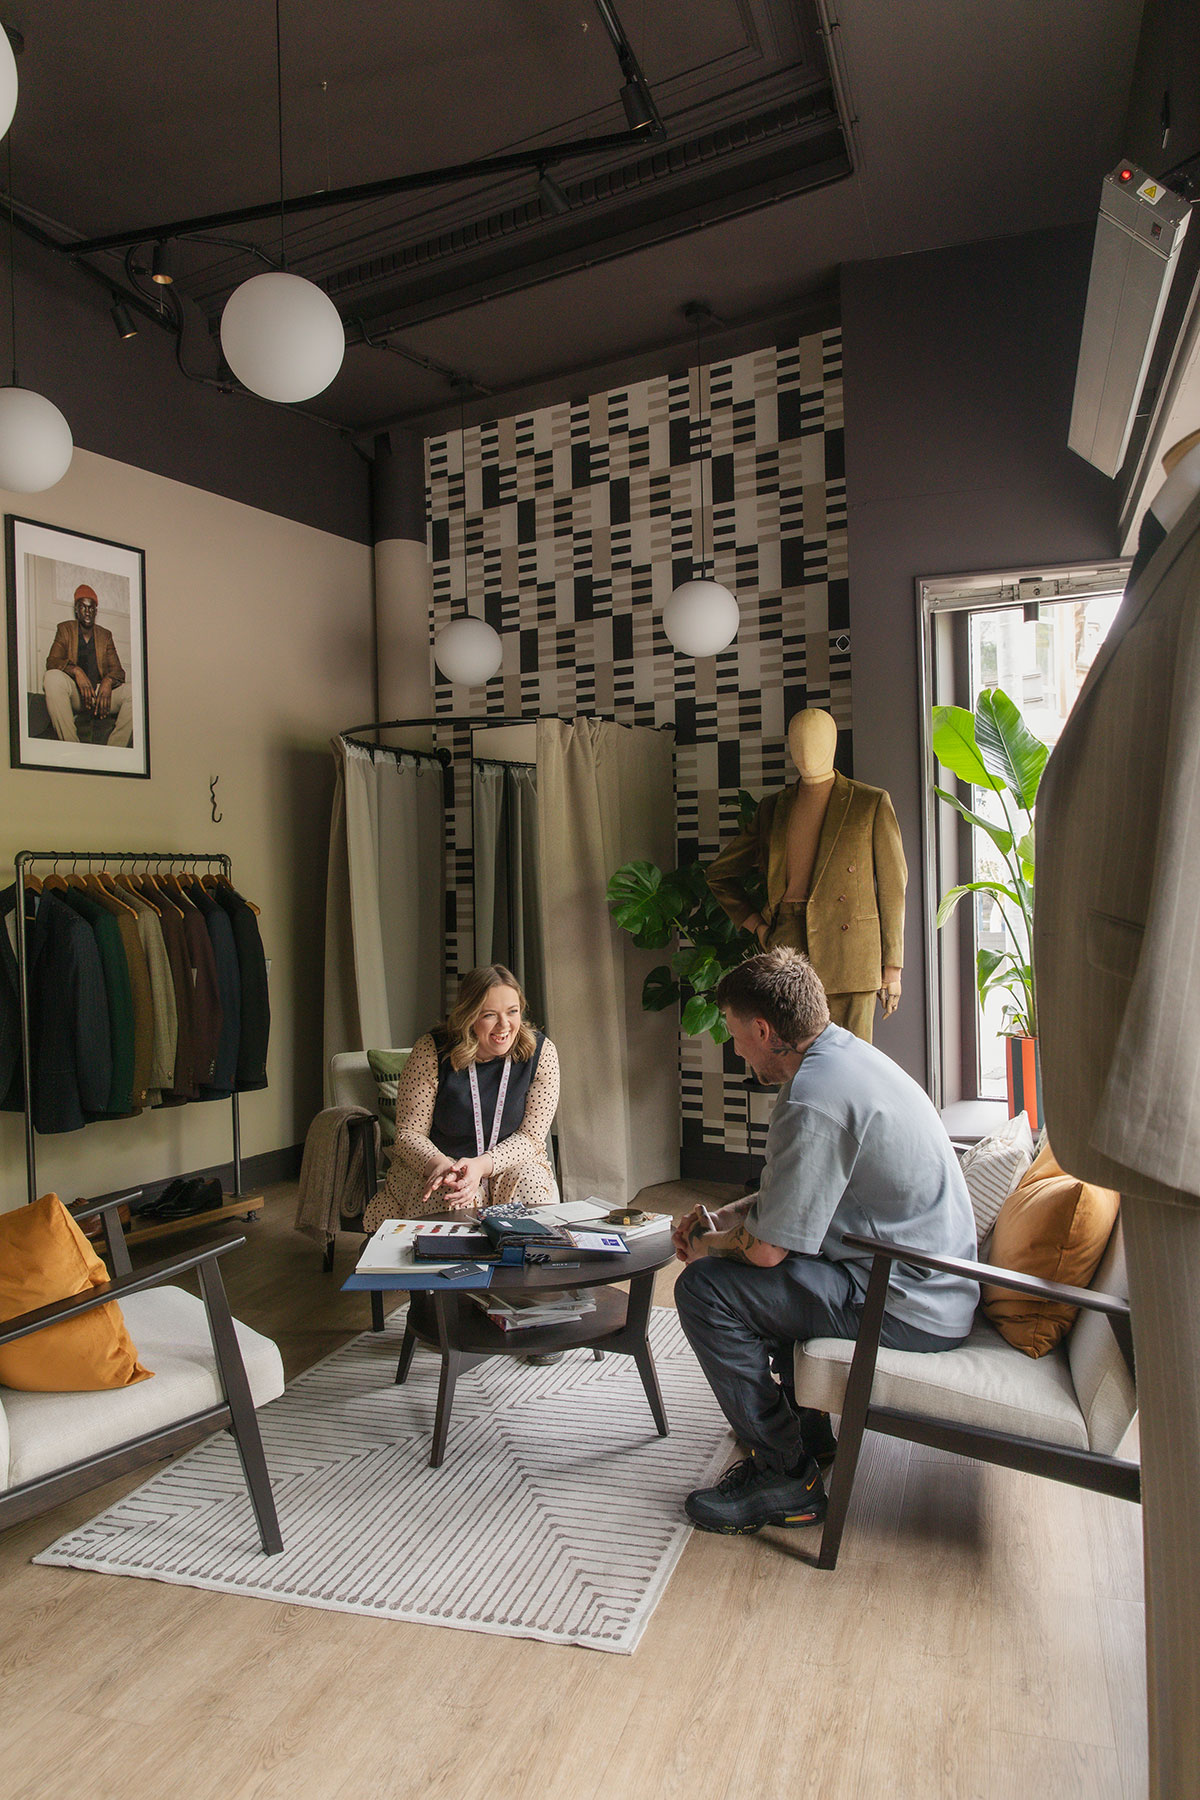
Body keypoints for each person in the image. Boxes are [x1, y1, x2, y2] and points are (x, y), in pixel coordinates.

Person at [673, 947, 978, 1535]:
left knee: (706, 1291)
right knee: (761, 1271)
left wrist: (705, 1248)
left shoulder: (814, 1097)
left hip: (907, 1303)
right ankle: (809, 1432)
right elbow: (794, 1196)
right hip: (923, 1280)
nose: (736, 1050)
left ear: (764, 1030)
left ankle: (787, 1475)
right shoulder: (842, 1060)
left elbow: (766, 1251)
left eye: (736, 1036)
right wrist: (722, 1218)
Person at [706, 707, 906, 1042]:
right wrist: (757, 925)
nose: (806, 750)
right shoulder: (773, 808)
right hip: (789, 946)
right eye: (797, 741)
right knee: (794, 1056)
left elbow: (892, 887)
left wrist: (893, 967)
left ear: (833, 743)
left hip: (851, 955)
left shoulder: (868, 802)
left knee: (852, 1062)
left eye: (815, 739)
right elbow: (719, 874)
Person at [363, 964, 559, 1230]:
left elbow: (531, 1137)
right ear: (469, 1016)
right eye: (489, 1015)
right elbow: (409, 1134)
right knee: (452, 1200)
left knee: (531, 1192)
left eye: (512, 1011)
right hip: (441, 1161)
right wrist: (444, 1167)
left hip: (509, 1163)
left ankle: (529, 1268)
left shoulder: (541, 1052)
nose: (505, 1025)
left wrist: (482, 1165)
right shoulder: (432, 1050)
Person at [43, 584, 134, 747]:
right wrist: (76, 671)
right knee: (51, 677)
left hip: (100, 696)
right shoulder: (65, 629)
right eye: (83, 607)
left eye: (91, 608)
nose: (87, 612)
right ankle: (72, 747)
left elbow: (118, 671)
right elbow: (52, 661)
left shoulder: (105, 635)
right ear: (76, 610)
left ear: (96, 611)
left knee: (135, 691)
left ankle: (115, 751)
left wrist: (107, 682)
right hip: (76, 694)